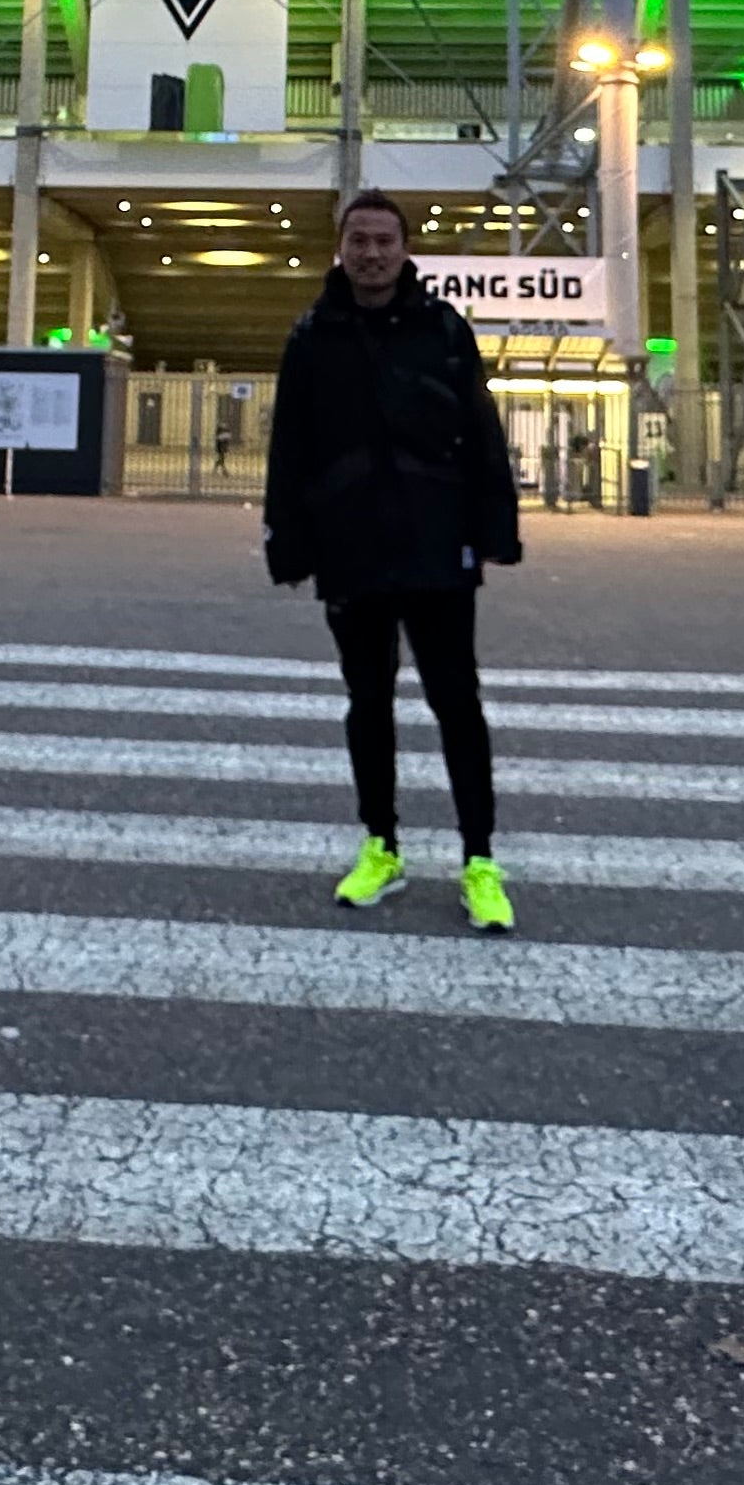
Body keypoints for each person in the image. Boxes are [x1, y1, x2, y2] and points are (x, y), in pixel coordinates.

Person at [261, 188, 523, 932]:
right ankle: (381, 844)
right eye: (358, 241)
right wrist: (287, 539)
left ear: (405, 249)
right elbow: (292, 447)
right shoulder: (312, 335)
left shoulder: (443, 329)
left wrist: (495, 528)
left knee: (456, 704)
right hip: (352, 547)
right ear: (340, 249)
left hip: (437, 543)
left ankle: (480, 859)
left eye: (384, 240)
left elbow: (481, 431)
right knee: (367, 702)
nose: (371, 253)